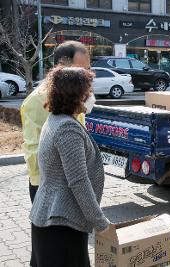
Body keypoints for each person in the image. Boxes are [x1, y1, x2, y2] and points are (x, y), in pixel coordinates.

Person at [30, 66, 110, 267]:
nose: (90, 95)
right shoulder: (67, 129)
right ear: (76, 95)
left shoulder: (56, 119)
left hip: (53, 219)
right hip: (61, 224)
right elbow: (78, 181)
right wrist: (101, 223)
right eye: (87, 91)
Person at [21, 41, 90, 203]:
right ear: (62, 66)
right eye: (82, 70)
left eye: (88, 69)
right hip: (49, 187)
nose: (88, 76)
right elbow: (34, 150)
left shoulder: (76, 96)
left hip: (75, 182)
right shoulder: (37, 100)